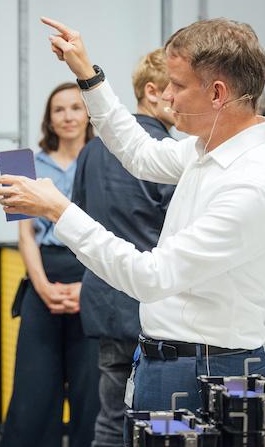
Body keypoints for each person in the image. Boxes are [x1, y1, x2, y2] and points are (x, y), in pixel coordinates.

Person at [0, 17, 265, 416]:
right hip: (174, 361)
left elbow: (151, 278)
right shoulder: (205, 150)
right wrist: (87, 74)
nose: (167, 97)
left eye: (178, 85)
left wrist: (58, 210)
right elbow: (139, 153)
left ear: (217, 94)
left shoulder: (249, 184)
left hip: (206, 369)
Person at [73, 49, 175, 447]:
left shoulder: (91, 151)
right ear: (152, 91)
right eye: (178, 87)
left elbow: (79, 219)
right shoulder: (168, 155)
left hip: (104, 300)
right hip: (152, 304)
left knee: (112, 414)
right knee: (160, 422)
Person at [0, 83, 99, 447]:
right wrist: (40, 286)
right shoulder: (21, 164)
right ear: (49, 118)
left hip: (92, 276)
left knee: (92, 387)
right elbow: (25, 235)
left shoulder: (106, 160)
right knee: (34, 385)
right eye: (59, 109)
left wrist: (88, 287)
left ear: (88, 113)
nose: (69, 115)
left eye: (76, 107)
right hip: (42, 274)